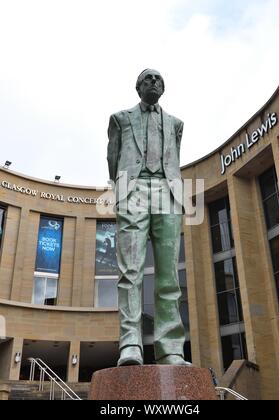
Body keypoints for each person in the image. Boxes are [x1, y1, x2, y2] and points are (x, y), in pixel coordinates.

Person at [107, 69, 190, 366]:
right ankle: (130, 344)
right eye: (147, 78)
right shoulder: (120, 119)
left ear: (164, 88)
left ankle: (170, 349)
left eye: (158, 79)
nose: (153, 82)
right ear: (137, 87)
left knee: (169, 275)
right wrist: (123, 191)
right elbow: (112, 159)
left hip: (167, 192)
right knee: (130, 271)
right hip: (134, 190)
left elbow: (174, 159)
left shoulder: (176, 124)